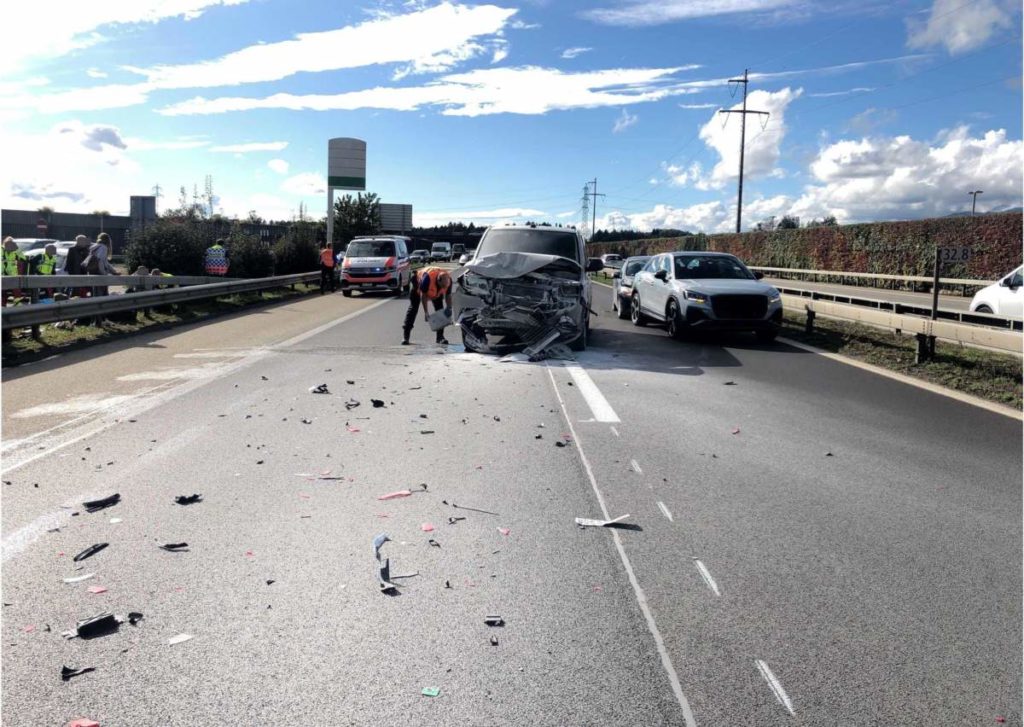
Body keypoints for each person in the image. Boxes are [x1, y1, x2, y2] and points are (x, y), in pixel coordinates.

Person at [402, 266, 452, 345]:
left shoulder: (448, 280)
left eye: (444, 287)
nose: (442, 288)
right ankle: (406, 337)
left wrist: (449, 308)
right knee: (413, 309)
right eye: (441, 286)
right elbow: (423, 296)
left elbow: (448, 295)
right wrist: (426, 312)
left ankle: (440, 337)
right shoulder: (427, 279)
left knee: (440, 311)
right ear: (438, 281)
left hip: (436, 294)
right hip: (418, 289)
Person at [2, 236, 28, 306]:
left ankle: (17, 303)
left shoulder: (15, 252)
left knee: (16, 289)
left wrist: (17, 249)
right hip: (2, 274)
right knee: (2, 291)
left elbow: (24, 259)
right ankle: (2, 305)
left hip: (12, 275)